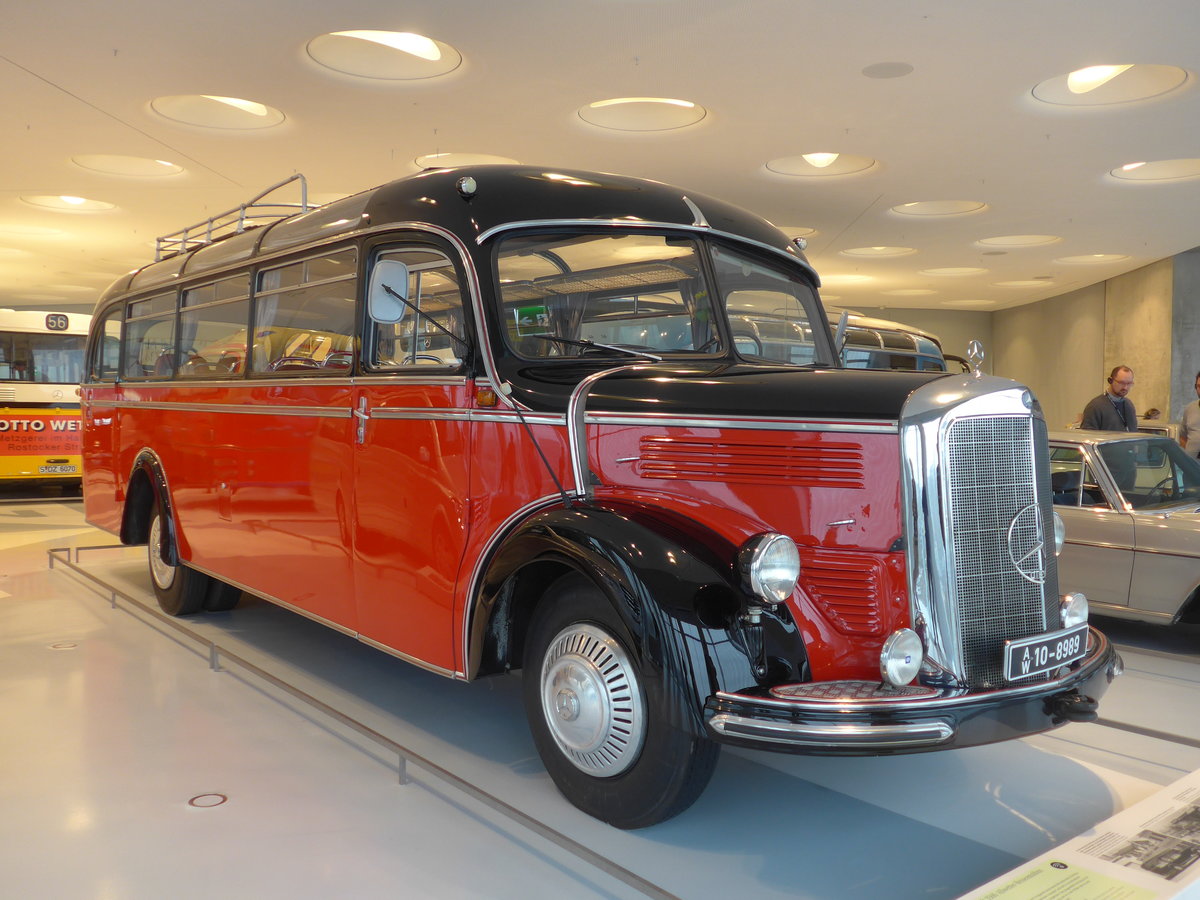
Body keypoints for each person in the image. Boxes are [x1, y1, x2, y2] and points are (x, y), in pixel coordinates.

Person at [1081, 366, 1137, 431]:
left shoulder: (1129, 405)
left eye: (1129, 383)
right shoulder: (1095, 406)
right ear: (1110, 380)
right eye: (1121, 383)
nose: (1125, 387)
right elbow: (1088, 434)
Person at [1179, 371, 1200, 457]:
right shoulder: (1190, 409)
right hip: (1191, 463)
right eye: (1198, 386)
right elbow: (1182, 437)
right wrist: (1188, 456)